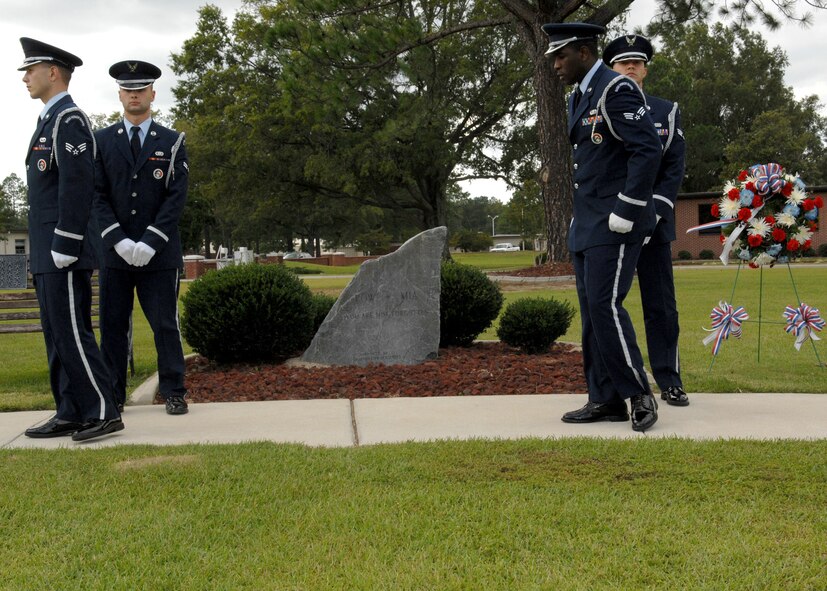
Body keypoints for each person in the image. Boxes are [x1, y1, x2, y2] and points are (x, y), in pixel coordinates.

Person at [541, 23, 662, 431]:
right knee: (593, 314)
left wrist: (627, 209)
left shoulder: (616, 89)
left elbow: (647, 150)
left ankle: (638, 394)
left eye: (562, 56)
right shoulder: (581, 94)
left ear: (584, 53)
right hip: (588, 223)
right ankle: (604, 398)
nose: (556, 65)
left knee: (605, 306)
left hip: (615, 221)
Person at [18, 37, 124, 441]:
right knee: (56, 332)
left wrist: (65, 241)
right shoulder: (49, 119)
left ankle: (102, 409)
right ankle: (70, 410)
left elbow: (78, 186)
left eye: (31, 70)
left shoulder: (69, 120)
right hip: (48, 251)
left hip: (64, 250)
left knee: (73, 330)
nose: (25, 77)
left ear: (53, 72)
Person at [93, 61, 190, 415]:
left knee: (165, 325)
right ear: (120, 94)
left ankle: (174, 390)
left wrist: (151, 240)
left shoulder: (172, 141)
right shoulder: (100, 141)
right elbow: (96, 195)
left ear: (152, 93)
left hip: (159, 255)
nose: (134, 94)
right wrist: (117, 239)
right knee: (113, 329)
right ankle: (113, 394)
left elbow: (175, 197)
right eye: (127, 89)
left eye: (141, 88)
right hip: (115, 254)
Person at [603, 34, 689, 407]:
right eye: (624, 63)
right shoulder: (599, 107)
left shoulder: (665, 111)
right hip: (610, 223)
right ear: (611, 69)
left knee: (661, 305)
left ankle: (669, 380)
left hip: (653, 223)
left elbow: (672, 167)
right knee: (606, 304)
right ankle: (613, 387)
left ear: (646, 70)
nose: (632, 67)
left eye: (637, 63)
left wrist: (654, 211)